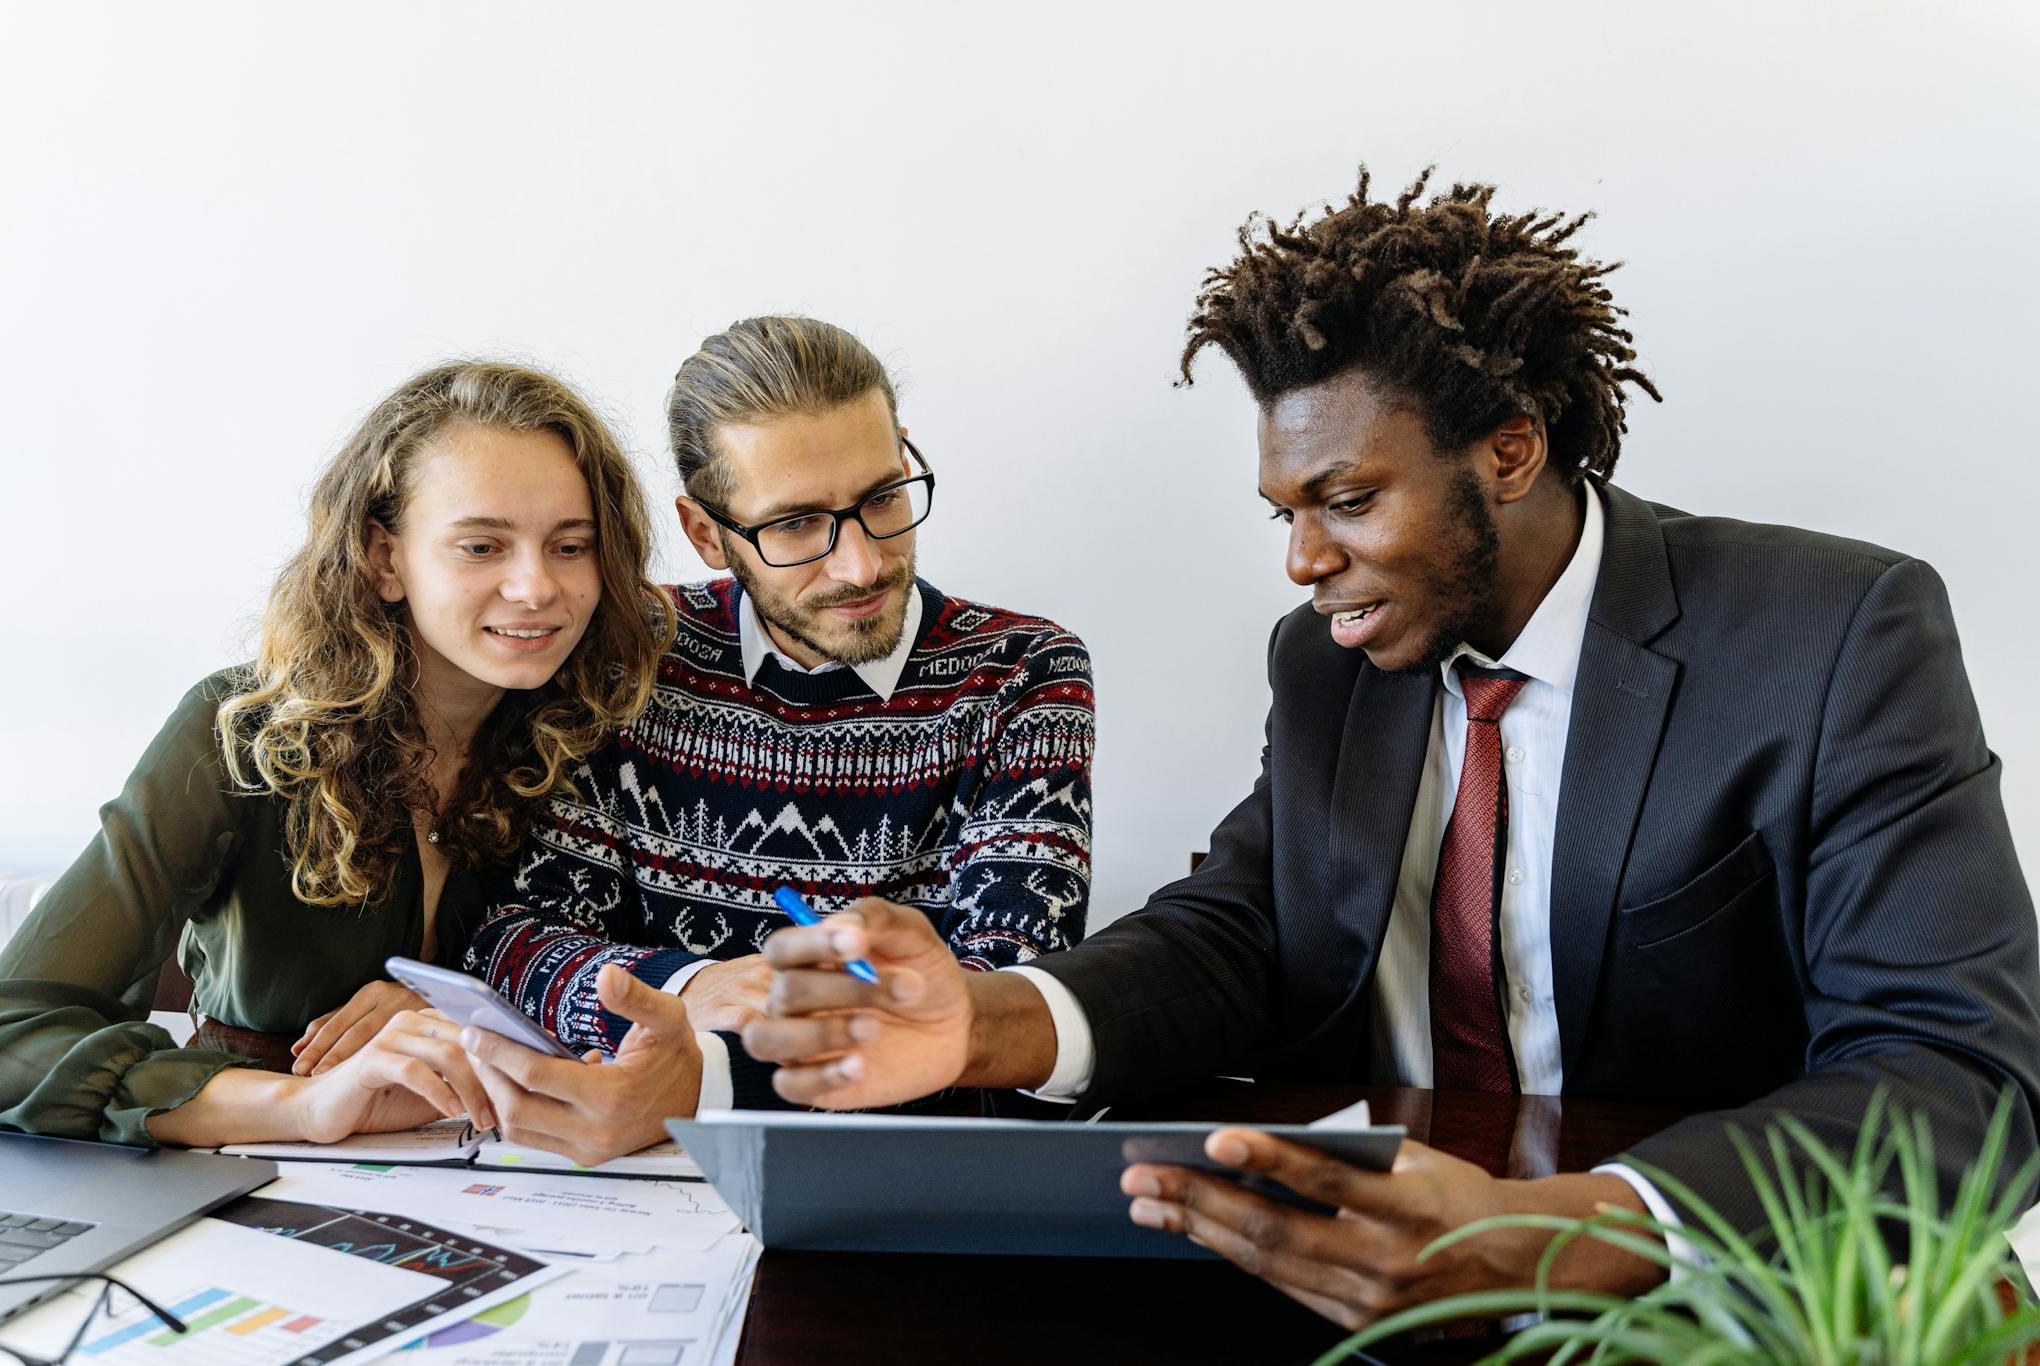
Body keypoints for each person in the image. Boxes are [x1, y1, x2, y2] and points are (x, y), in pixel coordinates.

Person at [741, 171, 2040, 1328]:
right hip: (1356, 1280)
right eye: (1287, 511)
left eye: (1348, 501)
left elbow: (1961, 1070)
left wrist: (1579, 1229)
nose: (1303, 560)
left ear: (1510, 449)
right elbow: (1241, 930)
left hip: (1702, 1297)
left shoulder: (1833, 634)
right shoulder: (1330, 664)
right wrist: (985, 1023)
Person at [457, 315, 1097, 1166]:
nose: (862, 566)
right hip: (640, 1177)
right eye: (795, 525)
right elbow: (512, 936)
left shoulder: (1025, 674)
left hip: (904, 1179)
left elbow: (1003, 1008)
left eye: (882, 499)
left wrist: (697, 1073)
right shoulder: (628, 653)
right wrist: (696, 984)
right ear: (706, 534)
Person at [0, 360, 673, 1148]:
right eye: (482, 547)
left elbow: (659, 981)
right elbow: (8, 1039)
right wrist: (307, 1107)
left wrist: (470, 1006)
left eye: (570, 546)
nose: (535, 587)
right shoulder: (239, 731)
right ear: (386, 560)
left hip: (538, 1170)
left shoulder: (606, 728)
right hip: (258, 1163)